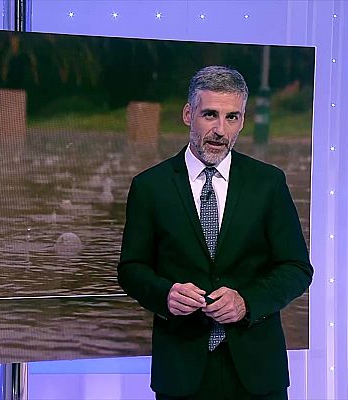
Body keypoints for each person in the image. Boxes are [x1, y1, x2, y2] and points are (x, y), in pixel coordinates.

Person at [117, 65, 313, 400]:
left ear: (243, 120)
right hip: (181, 371)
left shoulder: (268, 183)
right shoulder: (150, 187)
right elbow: (131, 269)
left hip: (257, 371)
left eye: (232, 117)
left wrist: (246, 302)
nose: (221, 130)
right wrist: (165, 294)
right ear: (188, 114)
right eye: (210, 115)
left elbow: (297, 269)